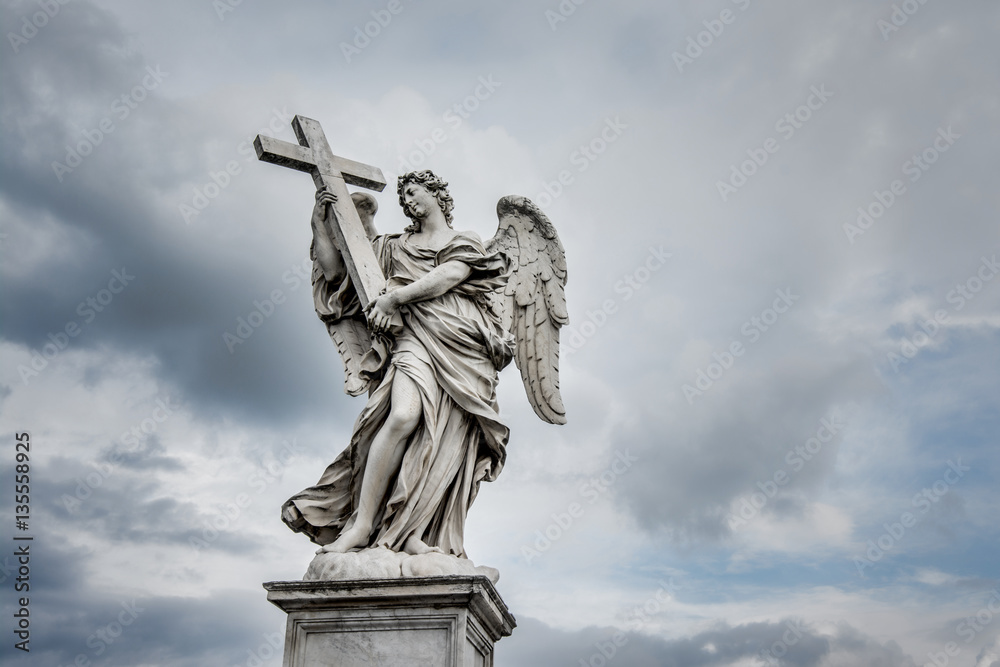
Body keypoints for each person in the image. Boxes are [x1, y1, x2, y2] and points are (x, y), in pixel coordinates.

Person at [281, 170, 514, 557]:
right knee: (404, 416)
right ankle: (362, 525)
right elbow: (337, 272)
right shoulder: (392, 247)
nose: (407, 200)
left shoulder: (465, 240)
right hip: (414, 338)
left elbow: (451, 274)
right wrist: (319, 225)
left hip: (463, 347)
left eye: (414, 192)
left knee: (445, 437)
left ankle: (413, 531)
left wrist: (395, 298)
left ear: (437, 194)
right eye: (403, 196)